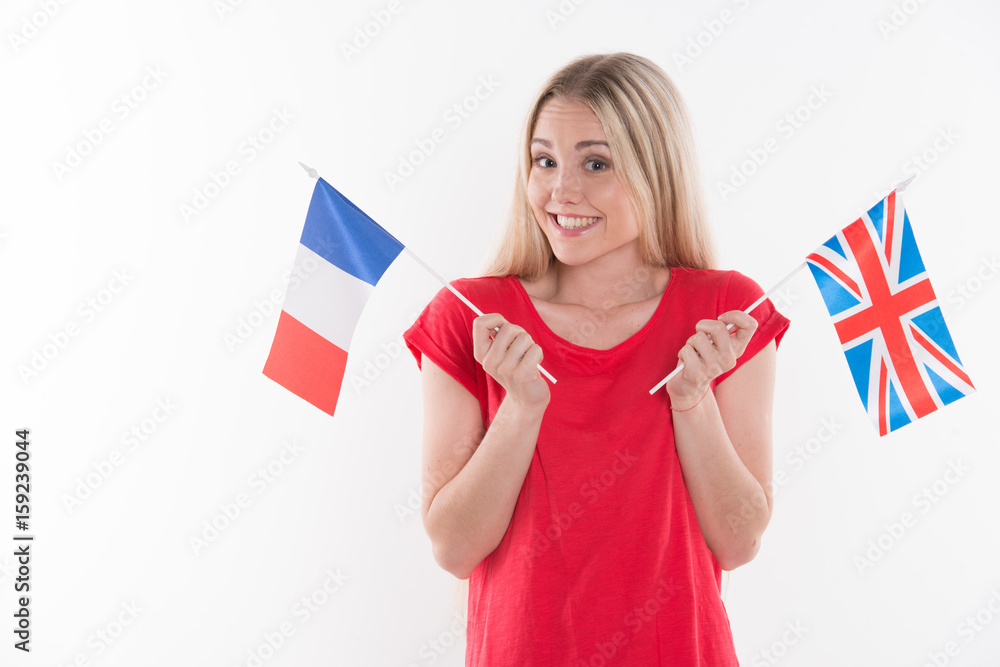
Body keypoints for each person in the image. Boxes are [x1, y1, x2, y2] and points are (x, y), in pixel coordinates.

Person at [403, 52, 790, 666]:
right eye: (544, 160)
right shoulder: (471, 318)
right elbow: (453, 547)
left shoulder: (726, 311)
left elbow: (740, 540)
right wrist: (520, 408)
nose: (561, 191)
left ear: (654, 171)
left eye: (596, 163)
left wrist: (692, 401)